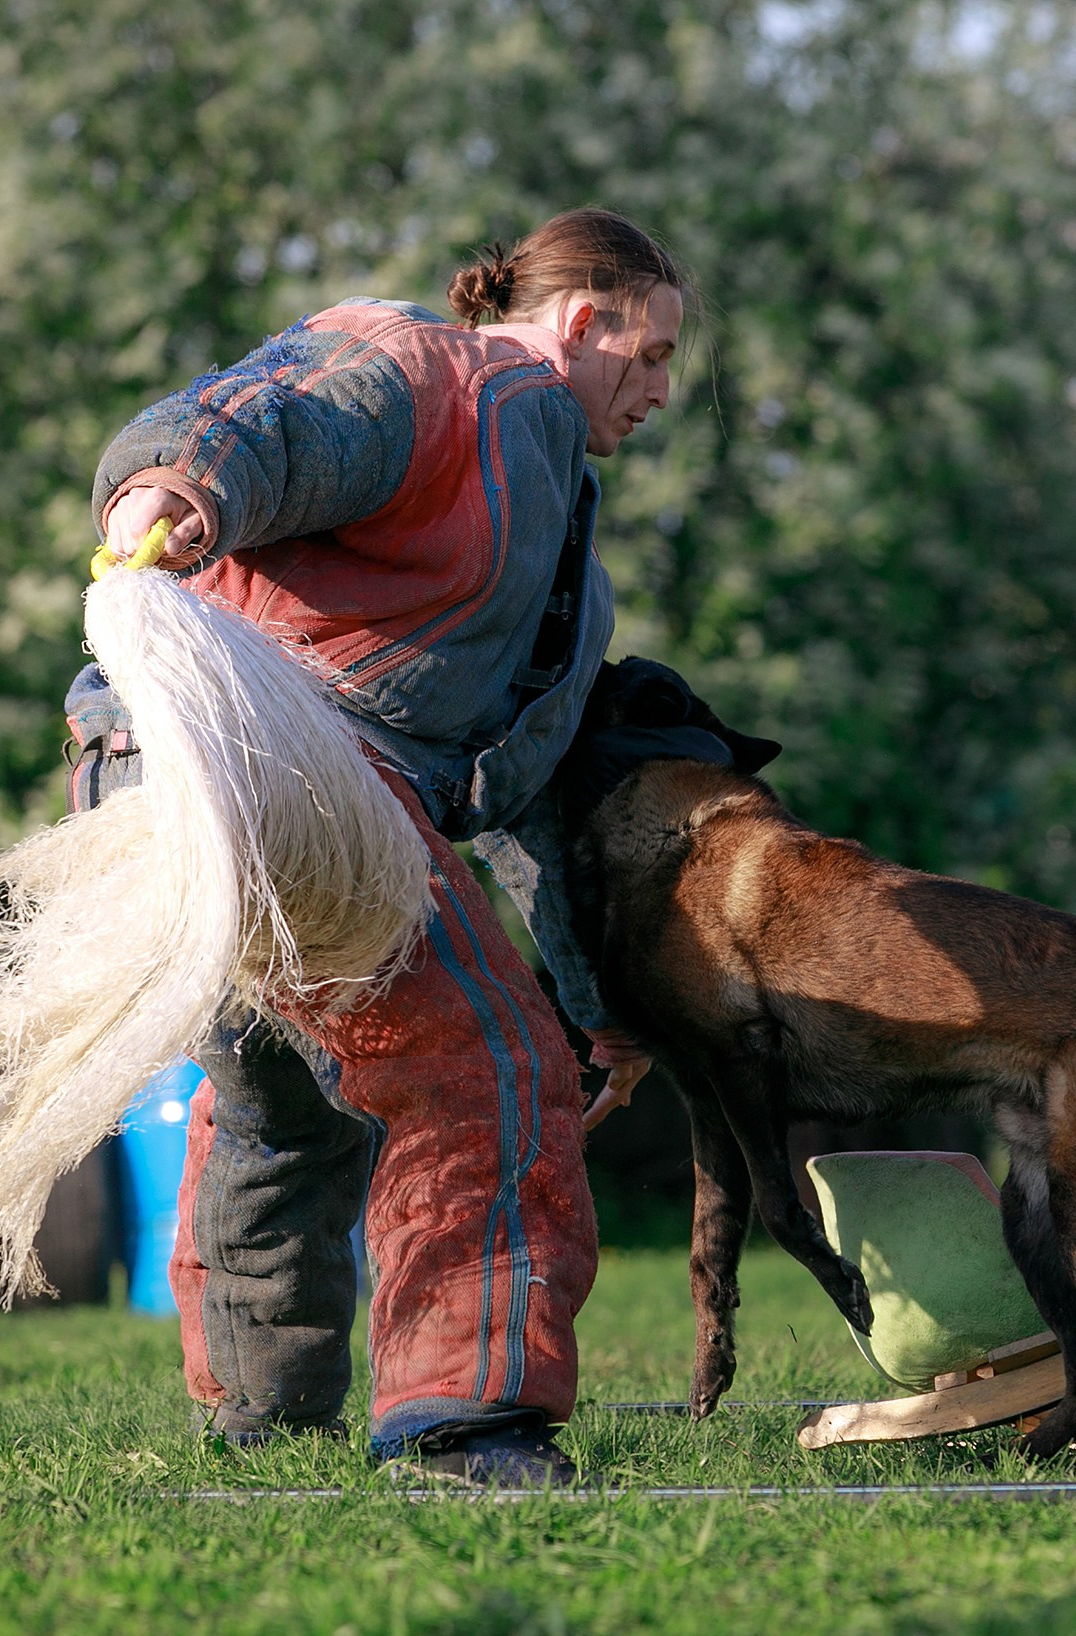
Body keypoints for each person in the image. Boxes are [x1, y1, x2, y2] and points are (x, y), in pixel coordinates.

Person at [69, 208, 682, 1485]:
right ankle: (465, 1424)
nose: (663, 391)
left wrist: (597, 1007)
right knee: (484, 1066)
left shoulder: (566, 554)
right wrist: (172, 485)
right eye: (654, 353)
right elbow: (265, 415)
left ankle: (260, 1425)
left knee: (285, 1107)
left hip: (173, 781)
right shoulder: (427, 367)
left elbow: (522, 797)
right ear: (583, 321)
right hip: (257, 766)